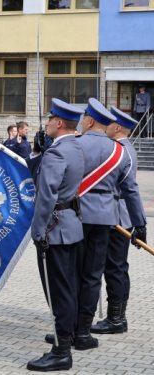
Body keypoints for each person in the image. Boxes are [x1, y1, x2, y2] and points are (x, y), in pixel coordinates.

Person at [45, 98, 147, 350]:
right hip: (105, 219)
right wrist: (139, 223)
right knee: (92, 277)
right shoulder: (120, 151)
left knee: (72, 276)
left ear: (89, 120)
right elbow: (131, 190)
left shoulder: (75, 144)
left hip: (75, 216)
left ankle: (66, 331)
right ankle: (82, 334)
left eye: (83, 118)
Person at [26, 98, 85, 372]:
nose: (47, 123)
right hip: (71, 226)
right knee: (69, 288)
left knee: (58, 292)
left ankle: (61, 352)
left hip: (55, 230)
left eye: (50, 119)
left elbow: (46, 194)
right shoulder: (75, 147)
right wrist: (39, 152)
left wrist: (37, 231)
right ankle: (67, 337)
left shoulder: (57, 153)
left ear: (59, 123)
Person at [90, 107, 146, 335]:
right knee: (116, 268)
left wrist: (140, 222)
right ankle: (116, 316)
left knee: (115, 268)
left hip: (118, 216)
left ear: (118, 127)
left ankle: (116, 318)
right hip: (118, 214)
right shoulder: (123, 148)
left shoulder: (122, 150)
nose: (107, 127)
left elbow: (130, 189)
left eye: (110, 124)